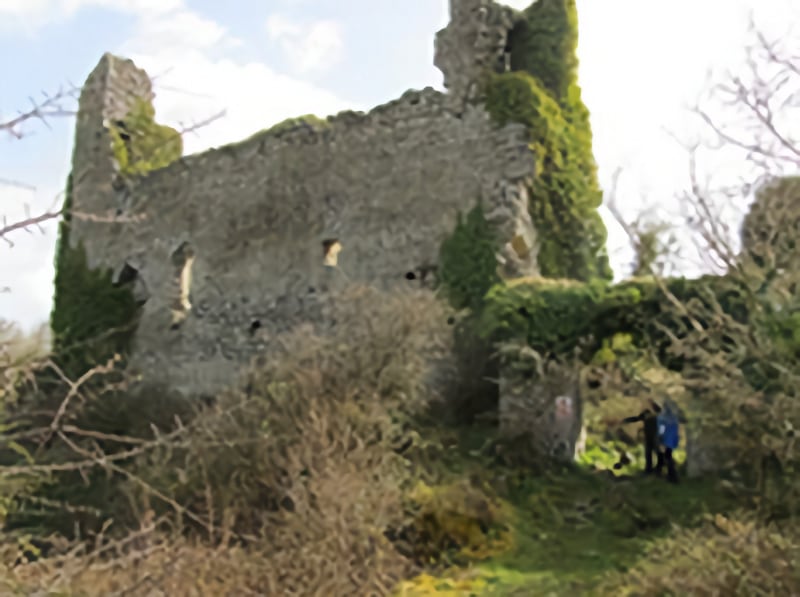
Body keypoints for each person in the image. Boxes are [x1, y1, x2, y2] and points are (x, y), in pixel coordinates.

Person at [622, 399, 662, 474]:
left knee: (657, 453)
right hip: (649, 436)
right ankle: (649, 470)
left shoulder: (658, 413)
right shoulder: (646, 413)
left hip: (656, 436)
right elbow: (637, 418)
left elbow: (660, 412)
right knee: (648, 453)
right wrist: (626, 420)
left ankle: (659, 469)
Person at [656, 401, 680, 483]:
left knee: (667, 457)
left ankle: (672, 477)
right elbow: (676, 430)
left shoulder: (662, 418)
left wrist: (660, 438)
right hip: (672, 440)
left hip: (665, 439)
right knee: (668, 456)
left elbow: (661, 429)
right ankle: (671, 475)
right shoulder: (674, 418)